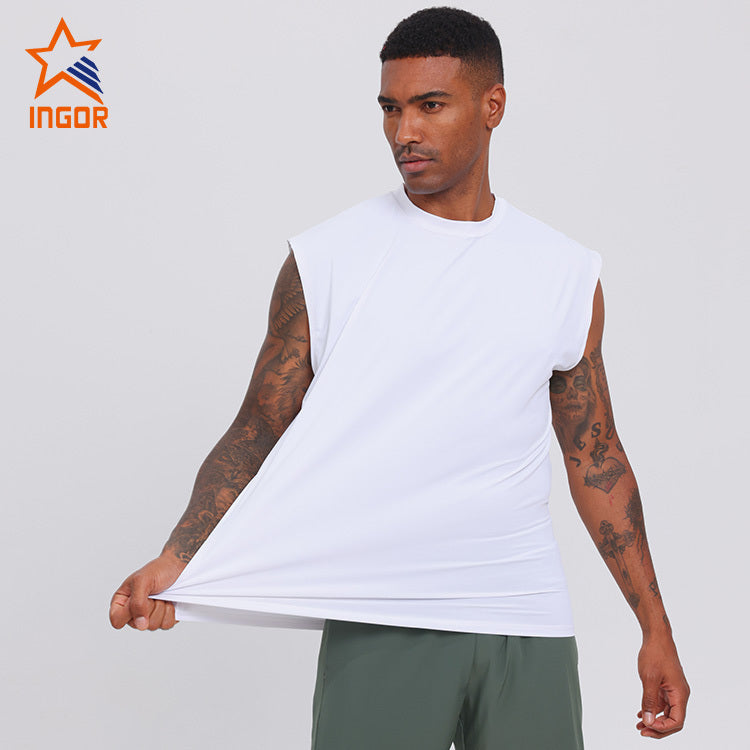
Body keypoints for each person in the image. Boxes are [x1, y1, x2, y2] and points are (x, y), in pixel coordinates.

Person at [109, 6, 689, 748]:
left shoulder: (565, 272)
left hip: (525, 617)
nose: (404, 131)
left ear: (493, 106)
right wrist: (179, 555)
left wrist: (654, 628)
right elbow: (258, 427)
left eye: (430, 106)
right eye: (391, 108)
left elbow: (595, 457)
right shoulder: (328, 259)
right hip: (381, 611)